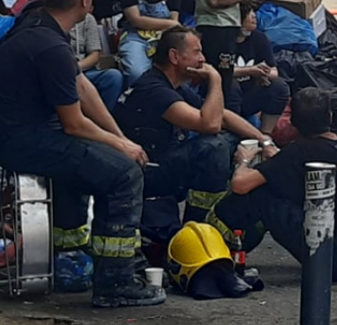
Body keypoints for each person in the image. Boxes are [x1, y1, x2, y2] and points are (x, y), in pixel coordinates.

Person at [0, 0, 164, 308]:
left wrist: (119, 137)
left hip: (15, 131)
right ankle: (116, 282)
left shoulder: (39, 23)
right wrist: (121, 148)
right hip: (21, 139)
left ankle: (69, 259)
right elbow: (74, 125)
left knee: (103, 160)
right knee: (124, 175)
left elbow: (81, 88)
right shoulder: (51, 45)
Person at [206, 88, 337, 281]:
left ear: (292, 123)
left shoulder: (298, 153)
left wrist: (244, 161)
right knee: (279, 183)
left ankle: (222, 244)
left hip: (334, 261)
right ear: (330, 118)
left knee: (262, 193)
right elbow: (293, 163)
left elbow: (240, 185)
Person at [113, 26, 268, 225]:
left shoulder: (172, 85)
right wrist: (215, 79)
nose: (202, 59)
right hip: (145, 170)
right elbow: (210, 124)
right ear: (174, 57)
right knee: (212, 147)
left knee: (238, 138)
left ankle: (229, 212)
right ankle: (200, 225)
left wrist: (264, 142)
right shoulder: (153, 88)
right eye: (196, 52)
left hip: (164, 160)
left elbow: (223, 117)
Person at [234, 3, 289, 134]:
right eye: (248, 14)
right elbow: (220, 72)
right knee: (232, 86)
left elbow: (274, 71)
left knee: (279, 87)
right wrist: (250, 71)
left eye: (253, 12)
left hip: (251, 93)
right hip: (228, 97)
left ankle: (266, 135)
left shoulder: (259, 38)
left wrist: (264, 74)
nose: (254, 17)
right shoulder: (224, 41)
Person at [70, 13, 124, 110]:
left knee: (114, 77)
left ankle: (102, 120)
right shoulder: (46, 19)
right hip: (57, 73)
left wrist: (76, 68)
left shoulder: (87, 19)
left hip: (83, 70)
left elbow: (94, 56)